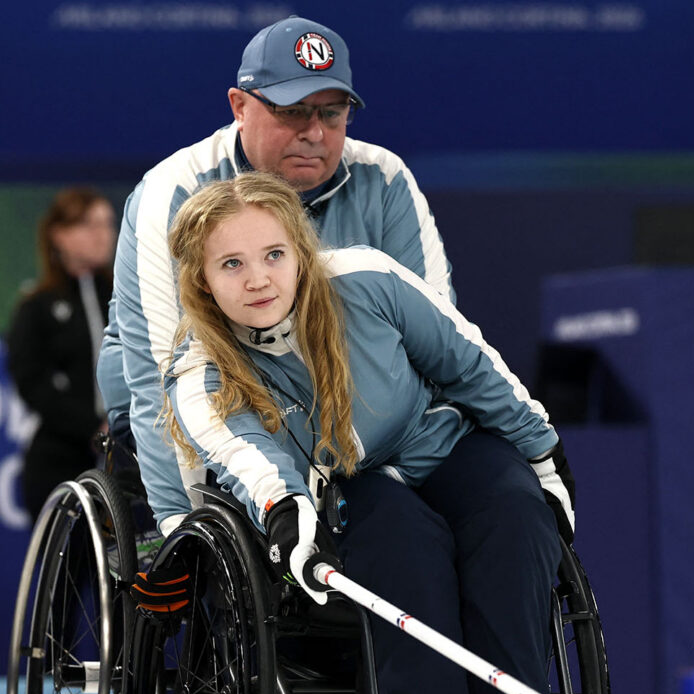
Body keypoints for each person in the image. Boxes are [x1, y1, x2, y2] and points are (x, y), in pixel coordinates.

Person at [152, 172, 576, 694]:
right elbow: (246, 461)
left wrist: (543, 456)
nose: (258, 278)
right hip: (342, 486)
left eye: (272, 255)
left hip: (440, 444)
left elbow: (471, 365)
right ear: (202, 280)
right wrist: (286, 514)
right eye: (231, 264)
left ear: (299, 249)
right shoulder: (201, 367)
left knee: (516, 516)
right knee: (400, 542)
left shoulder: (367, 280)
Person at [97, 15, 454, 539]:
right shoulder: (169, 192)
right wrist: (183, 522)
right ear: (240, 107)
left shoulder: (387, 180)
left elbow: (436, 345)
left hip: (348, 424)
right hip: (204, 418)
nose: (314, 133)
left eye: (332, 115)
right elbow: (158, 376)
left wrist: (410, 473)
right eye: (292, 113)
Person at [5, 187, 116, 516]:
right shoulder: (37, 306)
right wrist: (93, 427)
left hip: (128, 457)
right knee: (71, 563)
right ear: (59, 235)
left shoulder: (127, 299)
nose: (103, 235)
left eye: (108, 224)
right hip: (61, 460)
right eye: (89, 225)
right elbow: (30, 382)